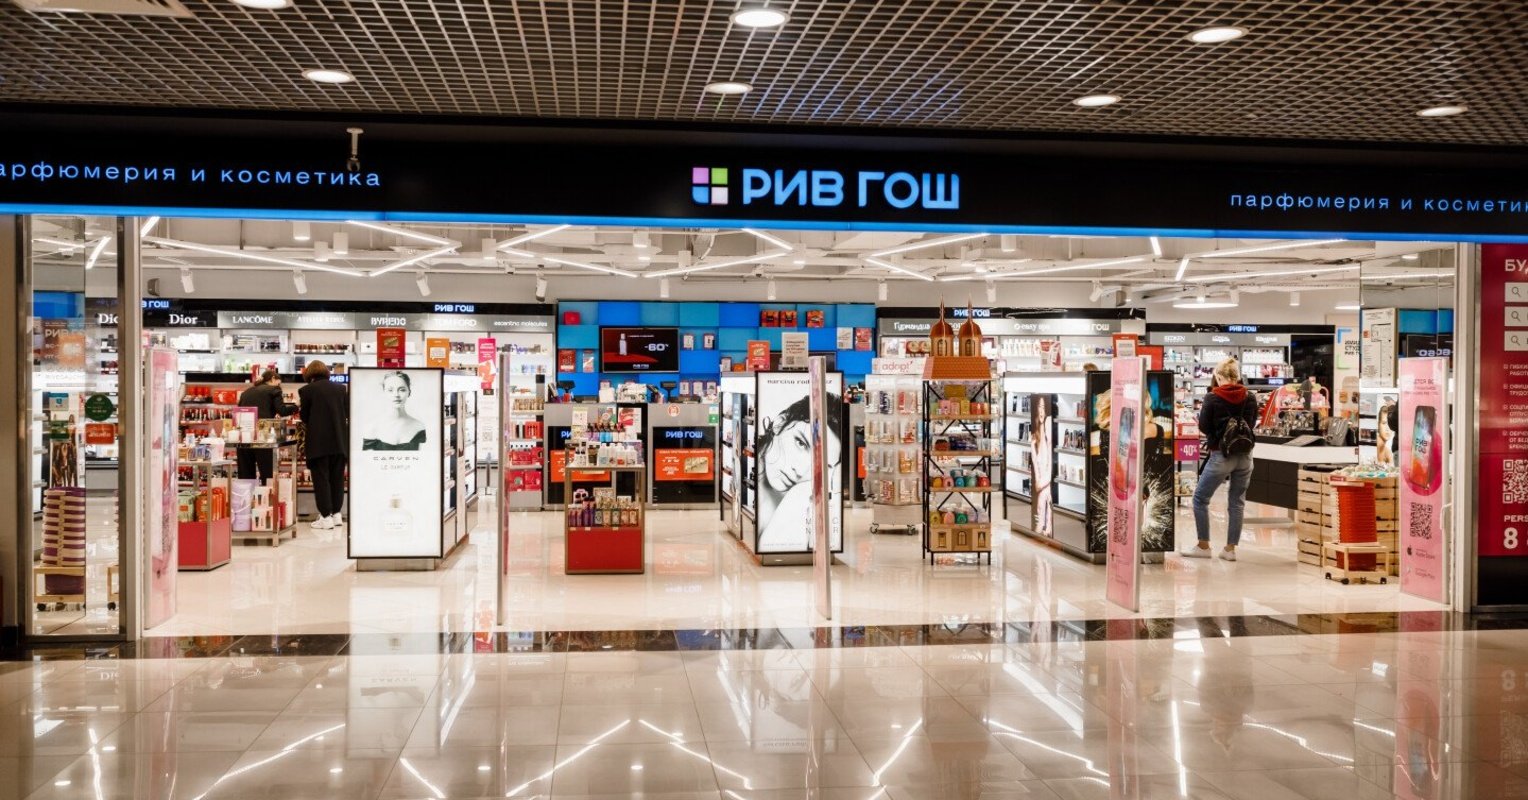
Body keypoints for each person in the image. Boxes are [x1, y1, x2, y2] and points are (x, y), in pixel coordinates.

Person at [1184, 358, 1257, 561]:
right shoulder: (1250, 396)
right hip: (1245, 456)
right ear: (1238, 376)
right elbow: (1251, 424)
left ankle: (1203, 546)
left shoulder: (1212, 397)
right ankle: (1230, 550)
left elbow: (1203, 426)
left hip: (1220, 455)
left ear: (1218, 376)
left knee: (1200, 499)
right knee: (1237, 503)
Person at [756, 392, 842, 550]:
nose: (801, 470)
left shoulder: (800, 507)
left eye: (822, 465)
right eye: (801, 443)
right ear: (779, 423)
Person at [298, 360, 348, 530]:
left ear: (310, 374)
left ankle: (325, 517)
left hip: (318, 443)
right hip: (339, 441)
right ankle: (337, 515)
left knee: (321, 480)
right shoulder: (341, 389)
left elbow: (304, 417)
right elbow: (346, 413)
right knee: (337, 479)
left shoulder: (307, 390)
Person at [237, 368, 295, 481]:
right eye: (278, 383)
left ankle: (247, 492)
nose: (279, 386)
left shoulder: (246, 392)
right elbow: (282, 411)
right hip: (263, 434)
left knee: (245, 475)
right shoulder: (274, 390)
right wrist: (296, 407)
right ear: (273, 378)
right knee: (267, 473)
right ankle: (266, 492)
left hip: (244, 435)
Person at [362, 371, 427, 451]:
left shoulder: (419, 426)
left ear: (409, 392)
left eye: (402, 390)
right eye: (390, 390)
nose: (396, 395)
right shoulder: (372, 428)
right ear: (384, 393)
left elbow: (422, 457)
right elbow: (367, 458)